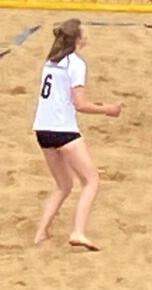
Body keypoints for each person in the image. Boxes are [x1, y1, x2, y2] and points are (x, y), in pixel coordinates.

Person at [31, 19, 120, 250]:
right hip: (63, 131)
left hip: (42, 130)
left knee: (63, 185)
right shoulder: (75, 64)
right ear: (78, 38)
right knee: (91, 181)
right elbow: (79, 104)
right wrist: (108, 110)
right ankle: (78, 231)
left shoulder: (50, 62)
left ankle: (40, 232)